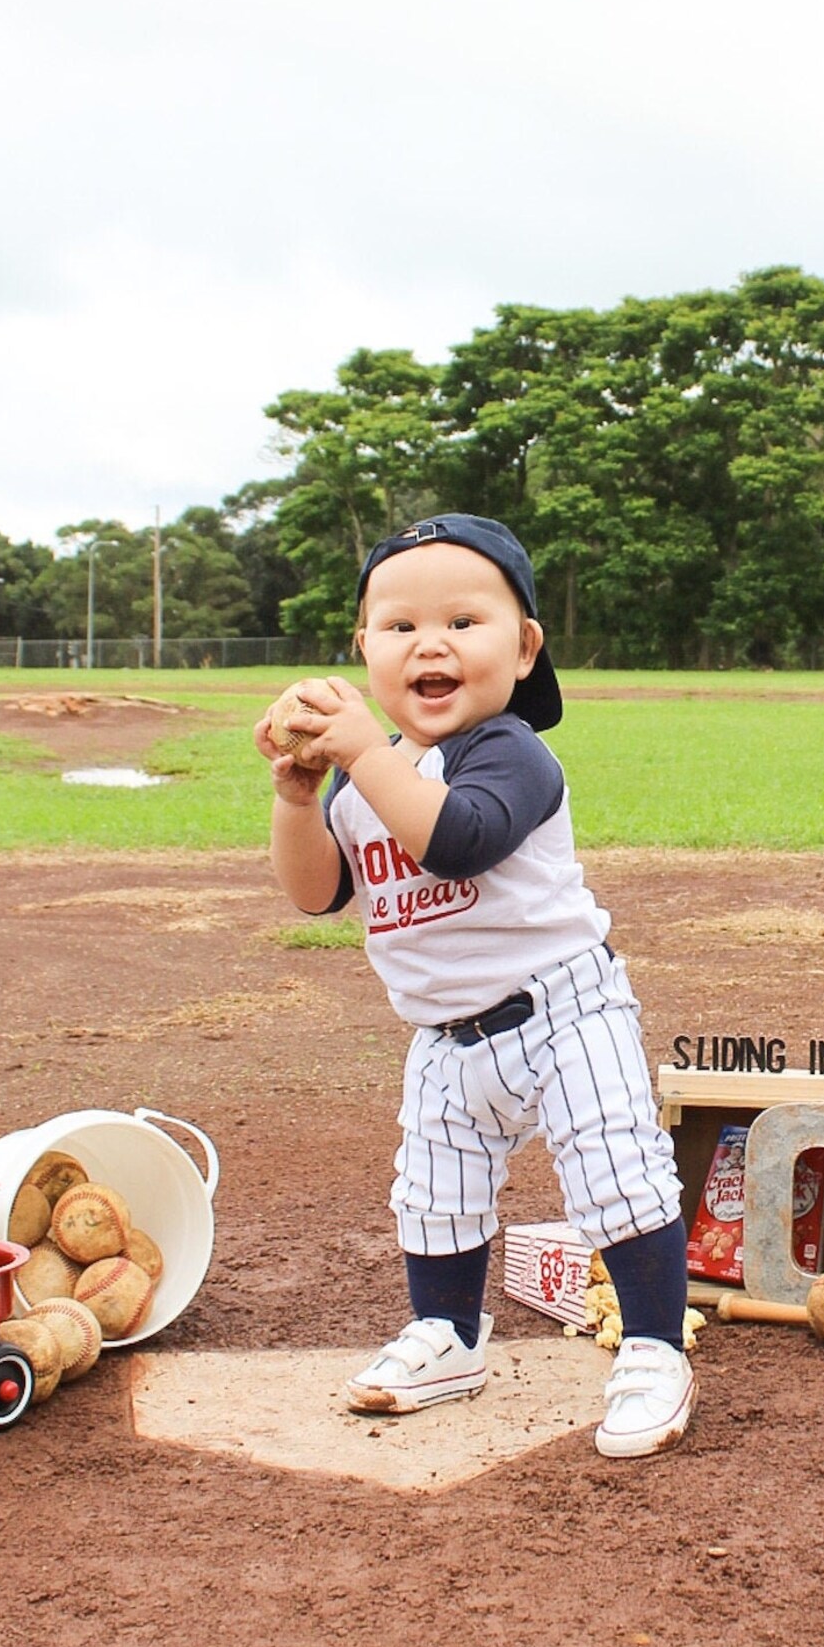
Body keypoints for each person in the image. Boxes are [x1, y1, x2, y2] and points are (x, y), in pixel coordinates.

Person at [254, 514, 693, 1460]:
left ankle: (656, 1348)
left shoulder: (511, 750)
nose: (431, 644)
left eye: (463, 620)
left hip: (564, 1009)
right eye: (400, 625)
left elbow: (458, 837)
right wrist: (297, 796)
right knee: (433, 1191)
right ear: (365, 648)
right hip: (446, 1035)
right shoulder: (361, 780)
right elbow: (317, 891)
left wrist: (363, 753)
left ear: (524, 647)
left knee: (615, 1172)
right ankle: (447, 1336)